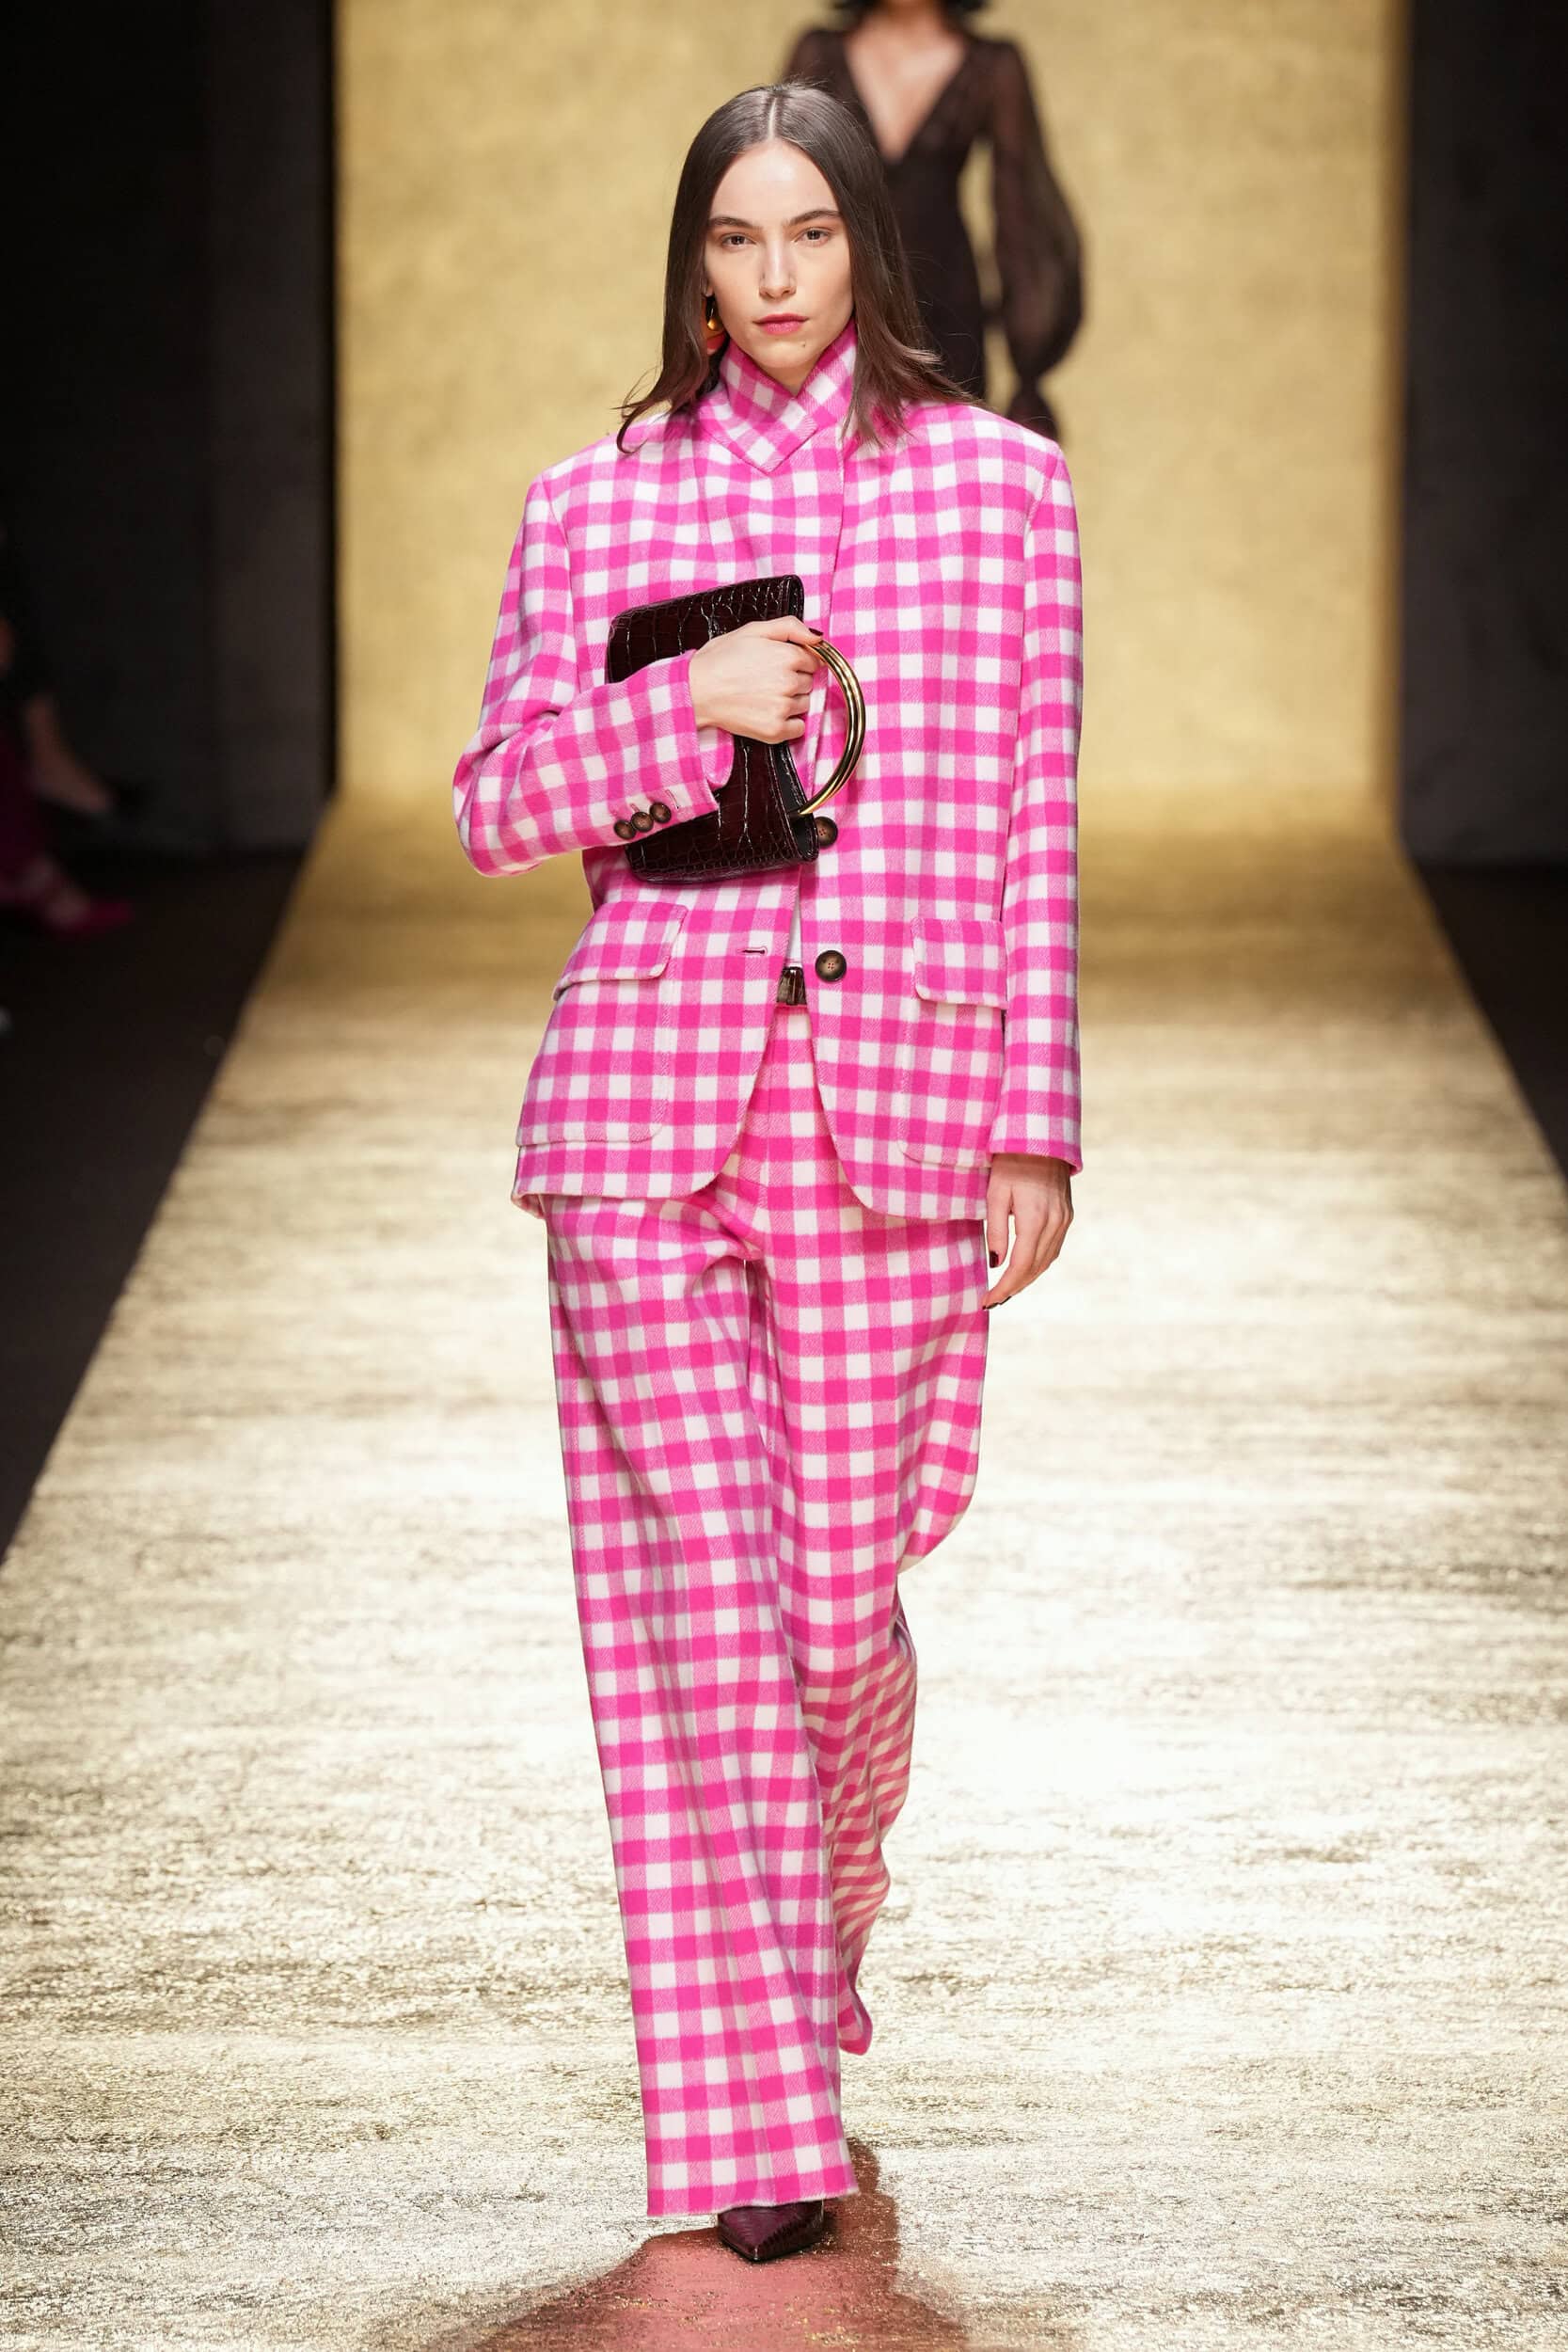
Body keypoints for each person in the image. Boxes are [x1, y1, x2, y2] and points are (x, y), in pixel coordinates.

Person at [451, 72, 1082, 2265]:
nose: (776, 274)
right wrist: (683, 707)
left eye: (811, 231)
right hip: (642, 1112)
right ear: (693, 265)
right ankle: (754, 2123)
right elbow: (493, 803)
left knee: (826, 1622)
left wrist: (1034, 1124)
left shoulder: (1000, 493)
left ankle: (814, 1928)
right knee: (703, 1626)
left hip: (892, 1117)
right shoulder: (592, 499)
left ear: (866, 248)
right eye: (737, 238)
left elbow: (1031, 821)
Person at [783, 0, 1084, 438]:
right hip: (838, 300)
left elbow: (1024, 210)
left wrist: (1030, 360)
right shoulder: (818, 52)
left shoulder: (994, 65)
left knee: (944, 464)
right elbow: (778, 190)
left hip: (947, 310)